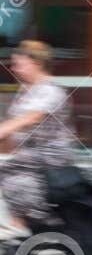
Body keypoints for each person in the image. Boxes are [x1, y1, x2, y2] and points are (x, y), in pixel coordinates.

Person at [0, 40, 81, 229]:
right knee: (9, 169)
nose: (14, 68)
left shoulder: (50, 91)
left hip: (51, 156)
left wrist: (3, 131)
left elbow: (31, 118)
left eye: (19, 63)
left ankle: (29, 222)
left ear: (36, 63)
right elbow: (13, 132)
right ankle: (18, 224)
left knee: (9, 169)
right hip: (29, 155)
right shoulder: (26, 91)